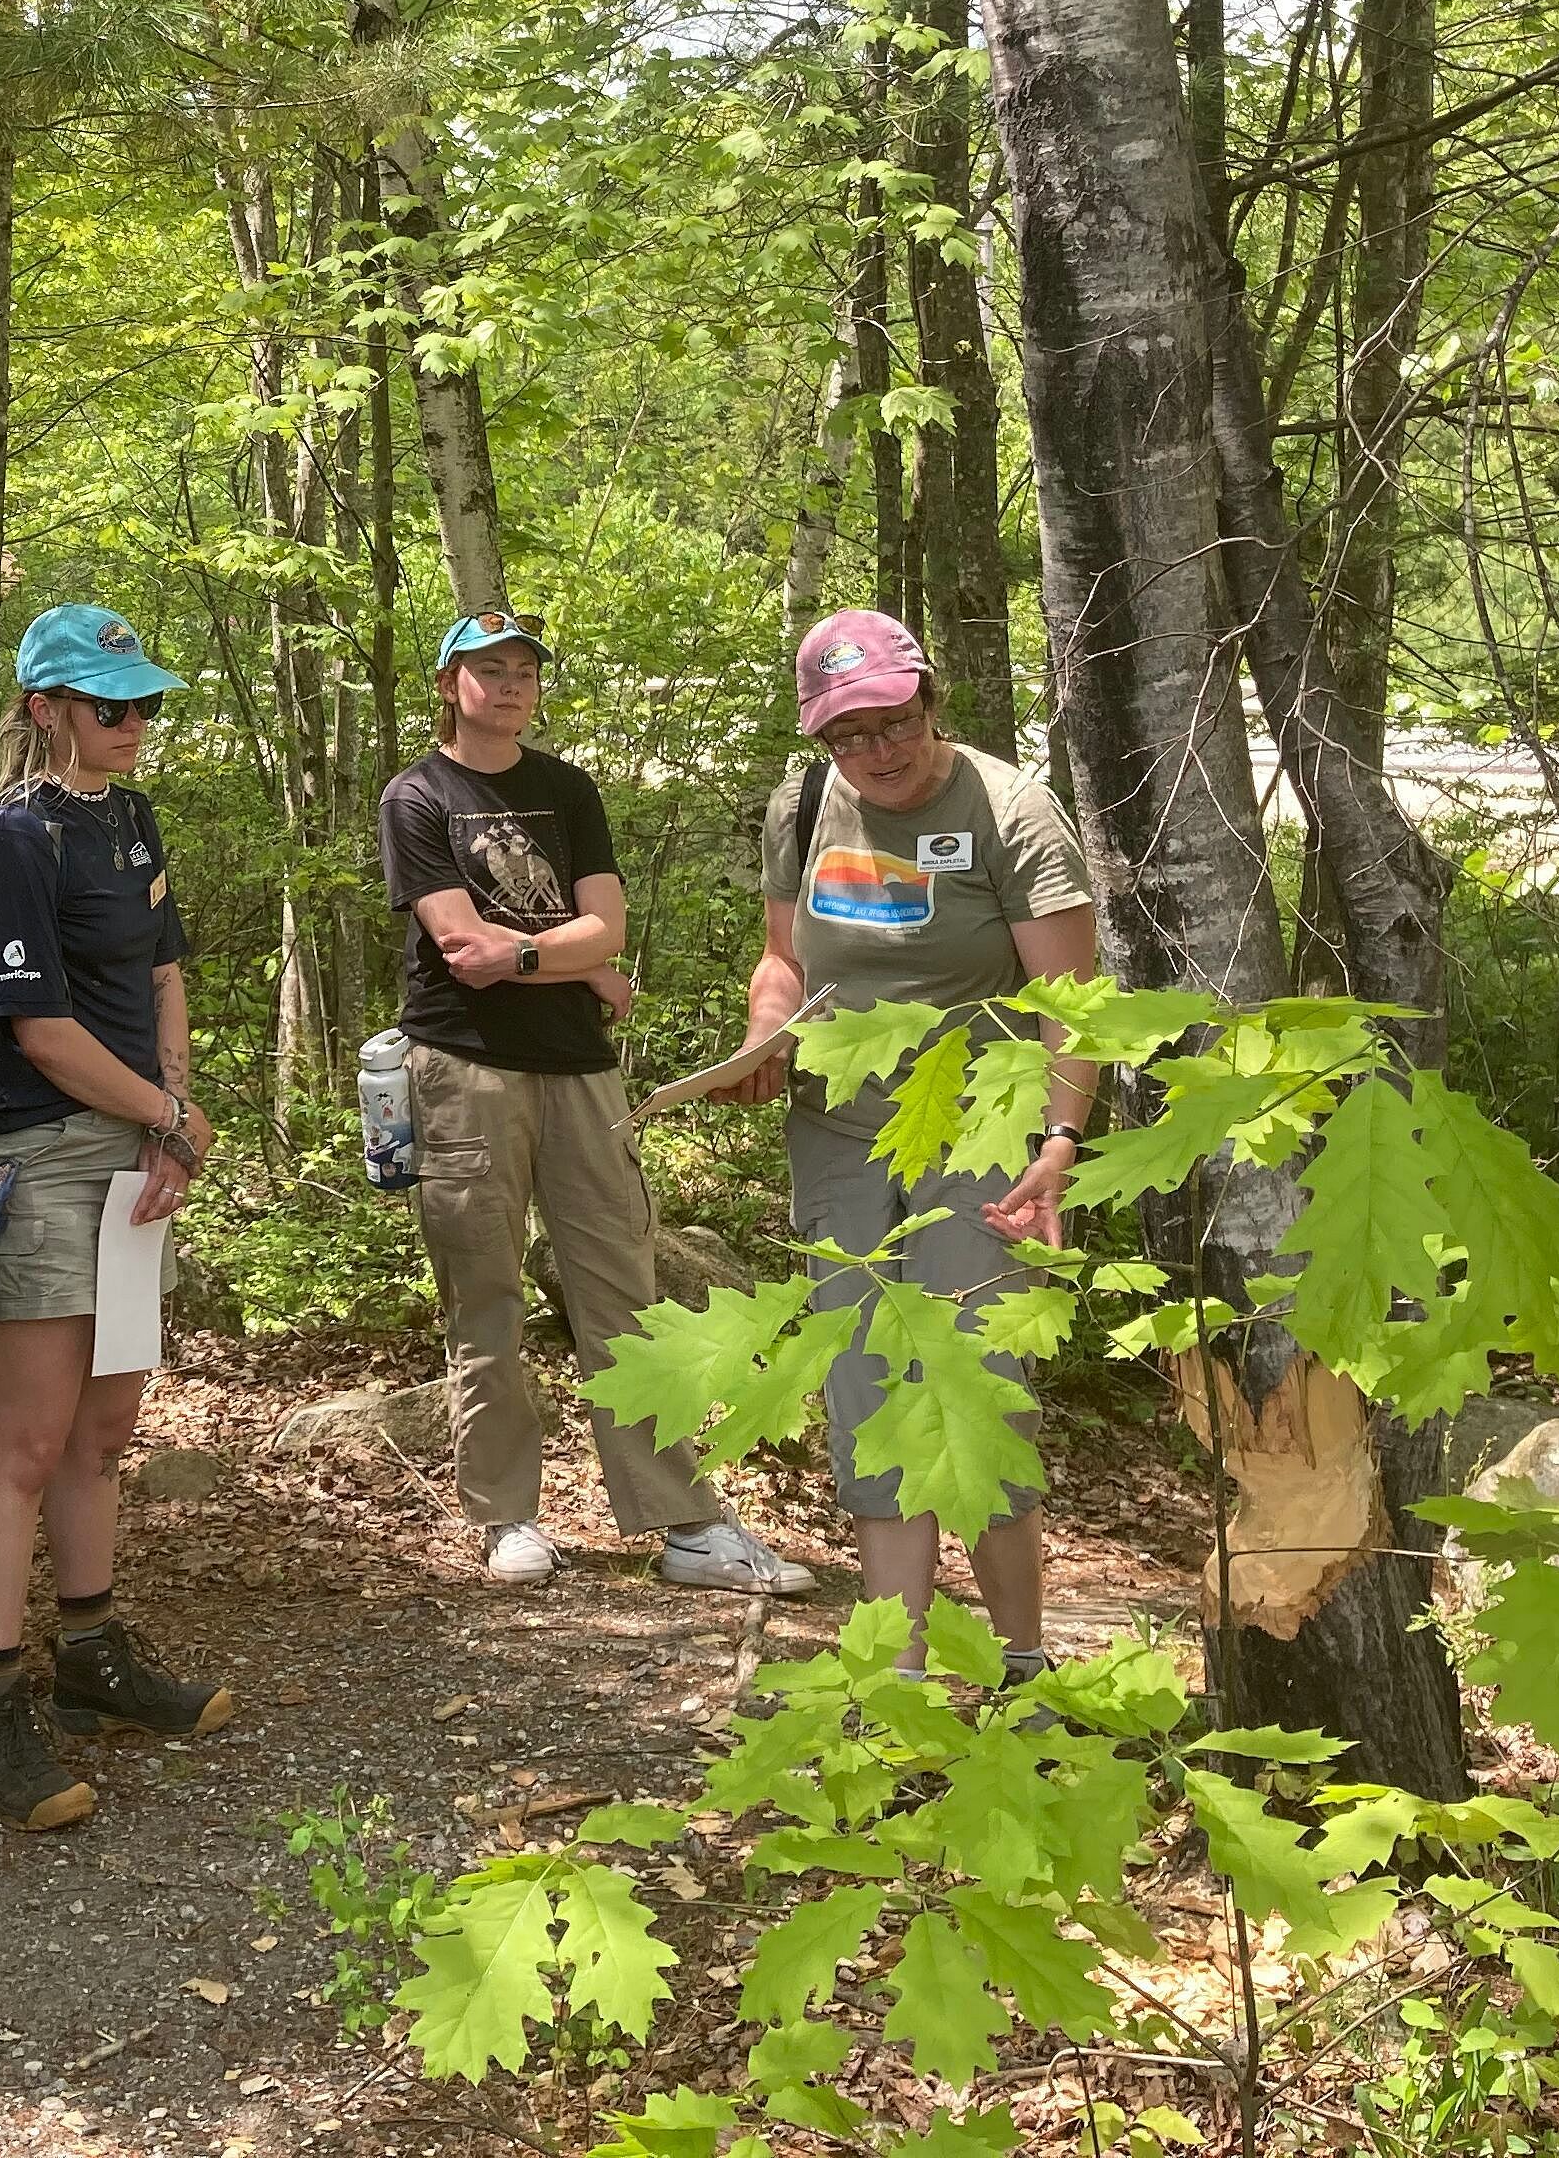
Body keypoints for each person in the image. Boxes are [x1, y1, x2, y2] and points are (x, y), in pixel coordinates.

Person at [378, 609, 814, 1597]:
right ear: (449, 685)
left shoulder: (565, 787)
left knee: (624, 1293)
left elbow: (601, 929)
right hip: (463, 1068)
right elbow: (460, 953)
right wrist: (564, 960)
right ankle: (504, 1518)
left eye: (526, 667)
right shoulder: (418, 797)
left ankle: (686, 1526)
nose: (512, 682)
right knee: (482, 1297)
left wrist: (542, 957)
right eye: (489, 668)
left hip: (581, 1068)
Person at [713, 608, 1099, 1684]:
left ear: (932, 701)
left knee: (972, 1374)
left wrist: (1060, 1138)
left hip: (980, 1119)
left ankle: (1023, 1661)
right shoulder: (804, 808)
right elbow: (786, 961)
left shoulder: (1010, 811)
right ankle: (900, 1675)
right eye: (848, 735)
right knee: (864, 1378)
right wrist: (762, 1037)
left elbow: (1074, 1003)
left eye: (893, 724)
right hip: (837, 1128)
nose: (876, 753)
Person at [0, 604, 229, 1832]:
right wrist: (161, 1112)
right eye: (108, 706)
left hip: (130, 1145)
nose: (132, 726)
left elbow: (161, 969)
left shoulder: (128, 818)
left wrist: (169, 1109)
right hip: (43, 1148)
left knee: (107, 1423)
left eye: (144, 705)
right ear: (44, 709)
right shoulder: (11, 839)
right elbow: (42, 1031)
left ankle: (90, 1655)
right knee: (26, 1435)